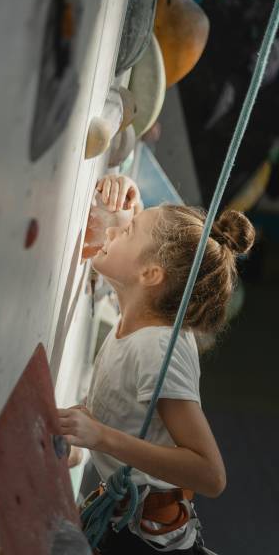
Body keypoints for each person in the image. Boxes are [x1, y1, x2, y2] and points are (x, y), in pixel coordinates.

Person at [58, 174, 256, 554]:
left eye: (128, 230)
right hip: (127, 525)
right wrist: (128, 201)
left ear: (150, 275)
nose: (115, 232)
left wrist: (98, 436)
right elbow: (130, 418)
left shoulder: (157, 346)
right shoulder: (139, 319)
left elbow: (210, 475)